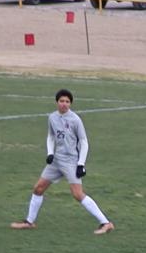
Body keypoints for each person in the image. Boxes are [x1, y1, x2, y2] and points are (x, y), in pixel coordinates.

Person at [10, 88, 113, 234]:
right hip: (57, 160)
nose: (64, 104)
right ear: (57, 102)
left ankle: (106, 223)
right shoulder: (52, 117)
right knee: (38, 188)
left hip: (71, 161)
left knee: (78, 194)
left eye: (67, 101)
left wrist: (81, 164)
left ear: (70, 104)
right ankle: (29, 222)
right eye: (61, 101)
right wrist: (50, 153)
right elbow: (51, 136)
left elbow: (84, 142)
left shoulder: (75, 120)